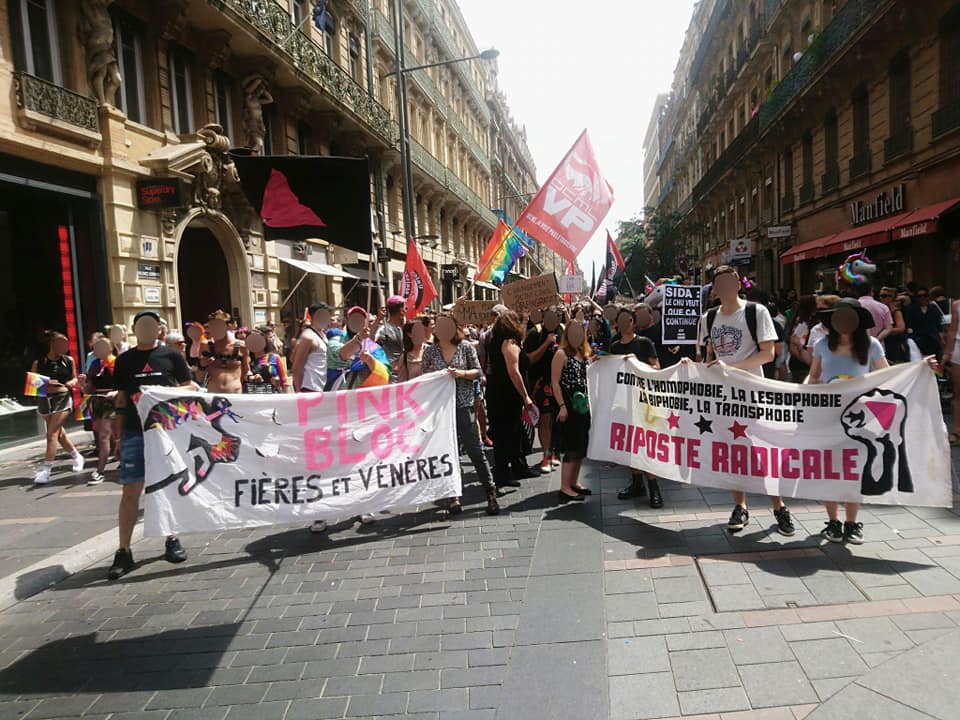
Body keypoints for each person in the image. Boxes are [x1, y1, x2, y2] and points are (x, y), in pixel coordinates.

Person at [697, 265, 794, 536]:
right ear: (715, 288)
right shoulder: (709, 317)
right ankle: (740, 506)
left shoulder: (755, 312)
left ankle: (779, 506)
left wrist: (732, 368)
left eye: (731, 281)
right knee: (732, 450)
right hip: (723, 397)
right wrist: (697, 369)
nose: (726, 287)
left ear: (738, 284)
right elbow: (707, 355)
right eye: (720, 283)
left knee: (763, 450)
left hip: (752, 393)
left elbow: (767, 354)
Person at [109, 310, 192, 579]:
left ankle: (172, 539)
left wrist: (162, 394)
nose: (146, 329)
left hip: (165, 433)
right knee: (130, 490)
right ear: (134, 329)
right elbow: (121, 398)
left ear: (159, 329)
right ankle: (124, 551)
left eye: (151, 325)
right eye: (141, 325)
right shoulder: (124, 360)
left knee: (167, 486)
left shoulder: (172, 356)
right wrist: (119, 435)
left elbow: (190, 387)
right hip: (135, 432)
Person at [807, 299, 889, 544]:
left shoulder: (872, 345)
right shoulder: (822, 344)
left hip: (859, 419)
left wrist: (920, 369)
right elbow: (814, 376)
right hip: (828, 416)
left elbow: (886, 374)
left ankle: (852, 523)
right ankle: (833, 522)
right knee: (828, 469)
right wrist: (801, 401)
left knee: (855, 470)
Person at [423, 313, 499, 515]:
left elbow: (479, 372)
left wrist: (461, 374)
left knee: (475, 450)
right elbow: (424, 379)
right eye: (438, 326)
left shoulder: (465, 347)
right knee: (449, 452)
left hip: (464, 406)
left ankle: (490, 491)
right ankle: (453, 495)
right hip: (441, 409)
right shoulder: (430, 352)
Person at [610, 308, 664, 508]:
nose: (625, 323)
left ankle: (654, 487)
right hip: (623, 402)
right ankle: (637, 483)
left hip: (643, 401)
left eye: (629, 319)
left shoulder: (644, 343)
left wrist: (636, 363)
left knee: (645, 444)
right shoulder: (614, 346)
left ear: (633, 322)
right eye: (621, 320)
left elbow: (656, 368)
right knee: (630, 444)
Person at [485, 310, 536, 488]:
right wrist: (526, 397)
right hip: (506, 396)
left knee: (510, 434)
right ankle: (502, 474)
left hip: (497, 394)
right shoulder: (509, 344)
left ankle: (515, 467)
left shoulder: (496, 340)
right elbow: (514, 373)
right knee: (505, 435)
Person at [31, 331, 85, 485]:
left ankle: (46, 470)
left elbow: (74, 377)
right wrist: (47, 383)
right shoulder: (39, 362)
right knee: (59, 434)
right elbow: (33, 383)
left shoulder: (68, 360)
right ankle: (76, 456)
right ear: (52, 344)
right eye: (61, 343)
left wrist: (72, 383)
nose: (64, 346)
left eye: (66, 343)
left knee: (51, 434)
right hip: (44, 399)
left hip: (62, 398)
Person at [551, 320, 592, 504]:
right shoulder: (561, 354)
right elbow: (555, 383)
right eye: (573, 332)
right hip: (569, 406)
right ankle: (565, 487)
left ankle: (574, 482)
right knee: (571, 447)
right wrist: (562, 406)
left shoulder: (584, 353)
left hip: (583, 407)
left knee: (581, 446)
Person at [523, 307, 562, 473]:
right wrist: (546, 344)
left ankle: (554, 452)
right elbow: (528, 360)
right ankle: (546, 456)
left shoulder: (564, 331)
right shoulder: (534, 333)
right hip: (542, 383)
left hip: (561, 384)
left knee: (557, 421)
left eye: (558, 317)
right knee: (545, 421)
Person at [84, 336, 117, 485]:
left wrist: (116, 392)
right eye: (96, 347)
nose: (98, 349)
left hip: (114, 402)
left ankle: (100, 470)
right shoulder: (95, 365)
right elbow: (89, 388)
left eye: (102, 346)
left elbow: (124, 384)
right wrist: (82, 384)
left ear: (110, 348)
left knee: (104, 435)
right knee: (107, 435)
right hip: (98, 402)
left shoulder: (116, 362)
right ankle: (121, 459)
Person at [199, 310, 249, 394]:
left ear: (228, 326)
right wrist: (201, 365)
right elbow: (199, 376)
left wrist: (252, 376)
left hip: (235, 395)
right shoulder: (206, 346)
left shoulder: (241, 346)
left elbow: (247, 371)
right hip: (213, 394)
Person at [290, 303, 331, 393]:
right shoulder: (308, 337)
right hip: (310, 388)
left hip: (322, 387)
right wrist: (298, 392)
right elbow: (297, 367)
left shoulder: (323, 335)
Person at [905, 286, 946, 358]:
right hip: (919, 340)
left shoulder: (933, 308)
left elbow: (938, 326)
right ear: (916, 297)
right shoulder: (911, 310)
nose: (922, 298)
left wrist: (942, 340)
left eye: (925, 295)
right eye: (919, 296)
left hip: (934, 341)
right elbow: (909, 326)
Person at [245, 328, 289, 393]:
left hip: (272, 397)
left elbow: (284, 381)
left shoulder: (274, 358)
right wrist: (251, 378)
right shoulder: (247, 360)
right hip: (253, 397)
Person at [942, 298, 960, 446]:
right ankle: (956, 430)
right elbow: (953, 329)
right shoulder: (956, 305)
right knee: (958, 391)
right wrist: (947, 353)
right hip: (959, 352)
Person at [788, 295, 818, 383]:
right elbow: (793, 345)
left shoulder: (802, 321)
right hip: (801, 366)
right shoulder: (802, 324)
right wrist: (808, 361)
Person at [376, 296, 406, 380]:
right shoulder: (383, 329)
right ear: (401, 310)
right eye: (405, 308)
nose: (406, 311)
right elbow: (371, 341)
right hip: (392, 376)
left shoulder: (405, 328)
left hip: (406, 374)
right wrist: (378, 320)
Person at [878, 287, 910, 363]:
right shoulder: (883, 310)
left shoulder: (896, 311)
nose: (881, 298)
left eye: (884, 296)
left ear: (891, 297)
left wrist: (886, 330)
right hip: (886, 343)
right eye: (880, 296)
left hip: (896, 345)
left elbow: (901, 328)